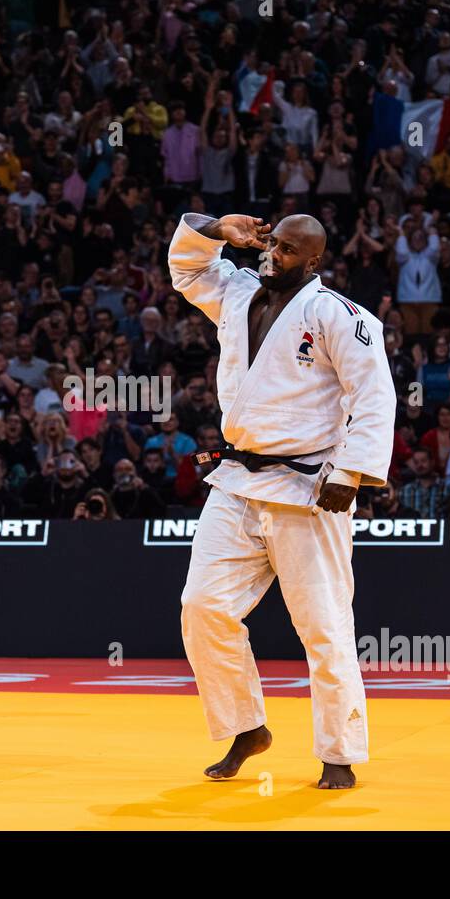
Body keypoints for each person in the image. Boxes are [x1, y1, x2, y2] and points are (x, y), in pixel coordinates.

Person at [168, 211, 396, 790]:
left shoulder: (339, 315)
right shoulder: (238, 292)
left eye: (289, 249)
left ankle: (339, 753)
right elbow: (187, 270)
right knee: (202, 607)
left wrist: (352, 473)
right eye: (271, 243)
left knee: (323, 625)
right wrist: (216, 230)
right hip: (238, 480)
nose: (273, 254)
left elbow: (373, 395)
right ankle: (245, 726)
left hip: (308, 486)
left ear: (314, 261)